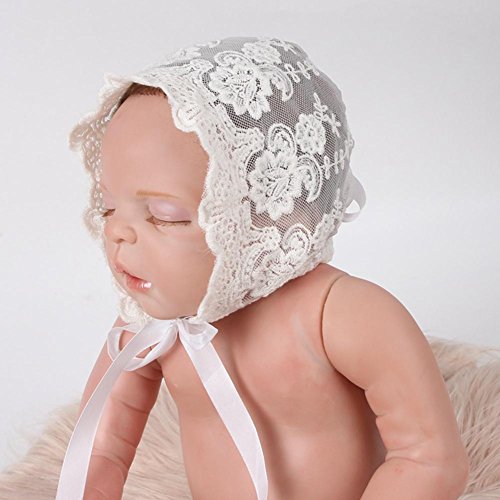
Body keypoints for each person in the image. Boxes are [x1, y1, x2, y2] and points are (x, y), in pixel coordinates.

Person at [57, 36, 469, 499]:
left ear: (269, 209)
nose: (117, 232)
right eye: (108, 207)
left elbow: (429, 459)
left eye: (163, 215)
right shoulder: (149, 326)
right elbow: (102, 449)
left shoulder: (338, 315)